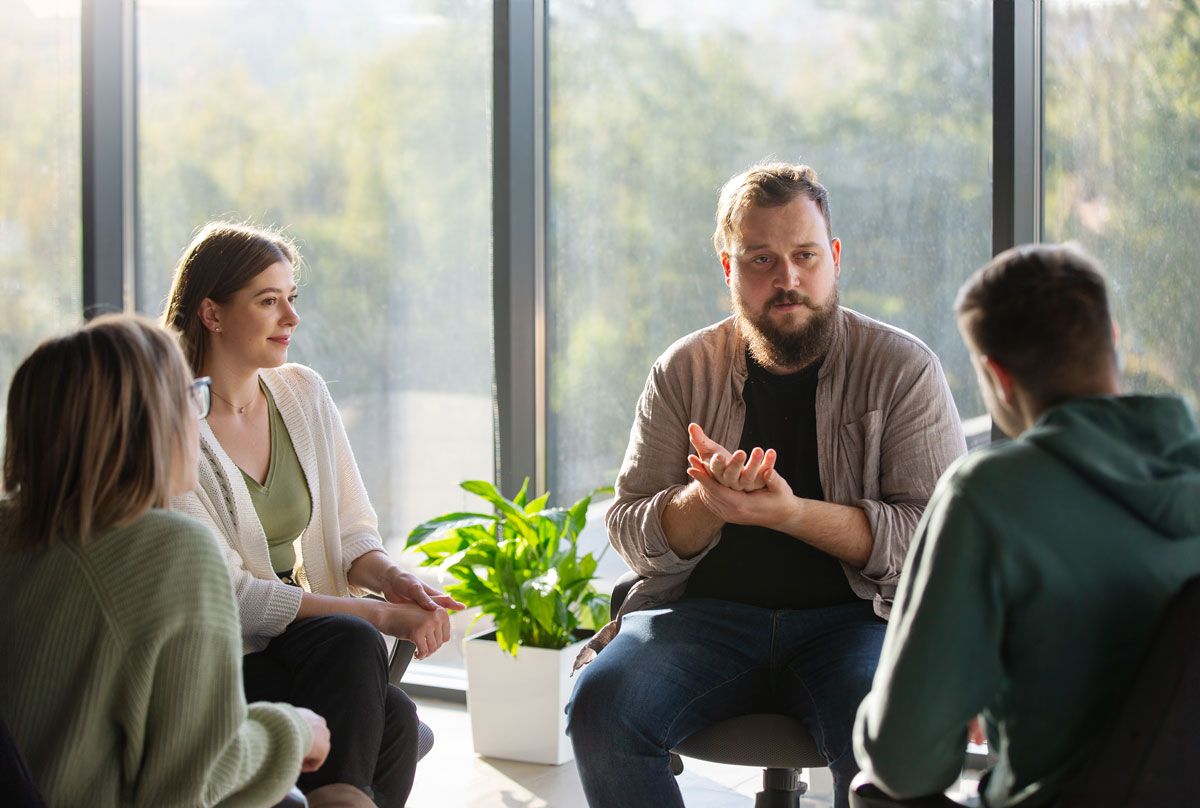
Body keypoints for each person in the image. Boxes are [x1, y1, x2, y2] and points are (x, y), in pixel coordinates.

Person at [565, 161, 966, 808]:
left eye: (805, 255)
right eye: (760, 259)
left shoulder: (902, 368)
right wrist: (708, 503)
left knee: (884, 735)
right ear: (728, 268)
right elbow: (631, 529)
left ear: (833, 257)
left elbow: (932, 537)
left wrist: (788, 514)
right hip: (701, 618)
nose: (788, 279)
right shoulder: (682, 370)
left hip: (858, 620)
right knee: (602, 703)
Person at [852, 245, 1200, 807]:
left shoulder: (988, 494)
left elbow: (905, 761)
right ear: (1111, 335)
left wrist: (930, 691)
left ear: (998, 377)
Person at [164, 221, 464, 807]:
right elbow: (231, 595)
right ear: (212, 313)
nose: (291, 319)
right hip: (220, 661)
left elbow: (354, 534)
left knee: (397, 715)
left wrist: (392, 579)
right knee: (360, 653)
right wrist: (378, 618)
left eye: (291, 299)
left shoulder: (303, 393)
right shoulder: (169, 424)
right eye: (268, 301)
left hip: (305, 646)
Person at [0, 314, 328, 806]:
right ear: (146, 424)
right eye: (191, 398)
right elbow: (191, 782)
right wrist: (294, 730)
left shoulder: (12, 527)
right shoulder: (170, 548)